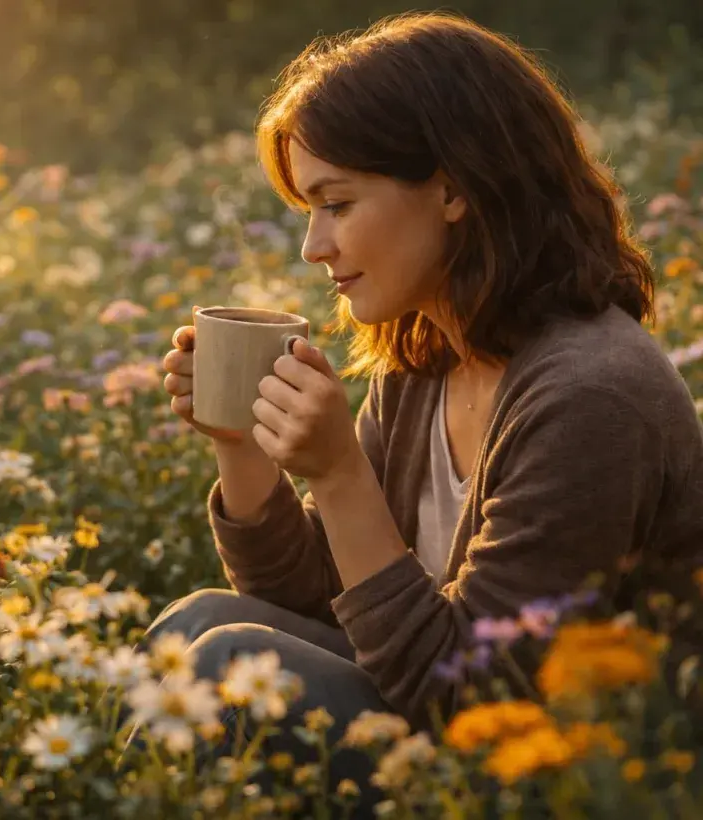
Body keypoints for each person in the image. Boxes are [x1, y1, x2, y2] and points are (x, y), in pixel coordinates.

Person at [149, 8, 703, 812]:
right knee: (195, 623)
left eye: (337, 204)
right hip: (446, 722)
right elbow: (322, 600)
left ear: (452, 190)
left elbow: (473, 697)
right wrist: (241, 442)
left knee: (224, 665)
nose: (314, 247)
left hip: (581, 778)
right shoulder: (426, 359)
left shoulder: (590, 395)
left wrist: (340, 474)